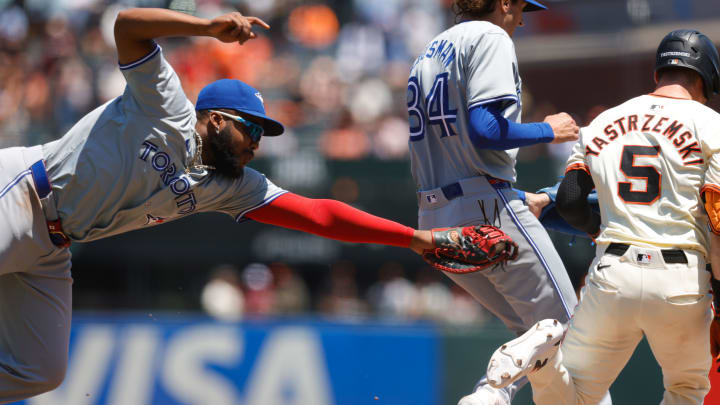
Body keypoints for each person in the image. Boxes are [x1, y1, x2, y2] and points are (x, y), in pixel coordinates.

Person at [0, 8, 467, 403]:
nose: (257, 144)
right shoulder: (165, 104)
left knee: (41, 369)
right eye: (254, 130)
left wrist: (415, 239)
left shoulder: (230, 186)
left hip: (52, 248)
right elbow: (126, 24)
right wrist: (206, 28)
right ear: (218, 120)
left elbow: (319, 214)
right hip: (25, 193)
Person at [486, 29, 720, 405]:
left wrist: (606, 232)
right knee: (686, 390)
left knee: (575, 397)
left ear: (657, 74)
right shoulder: (713, 126)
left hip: (613, 273)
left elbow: (572, 199)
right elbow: (718, 223)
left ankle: (543, 362)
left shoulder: (605, 121)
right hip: (682, 279)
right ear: (706, 78)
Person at [406, 1, 592, 404]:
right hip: (484, 207)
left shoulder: (431, 48)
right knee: (572, 328)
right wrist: (549, 130)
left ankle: (490, 397)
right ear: (503, 2)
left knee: (534, 335)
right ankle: (489, 396)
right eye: (522, 6)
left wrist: (516, 195)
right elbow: (485, 129)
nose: (523, 19)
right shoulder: (491, 35)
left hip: (435, 213)